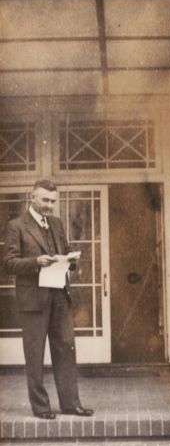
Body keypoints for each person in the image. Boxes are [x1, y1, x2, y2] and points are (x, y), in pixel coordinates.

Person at [3, 180, 93, 420]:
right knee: (35, 354)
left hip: (59, 295)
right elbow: (9, 263)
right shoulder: (16, 226)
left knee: (65, 347)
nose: (50, 205)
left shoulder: (56, 223)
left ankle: (70, 404)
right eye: (45, 200)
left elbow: (62, 250)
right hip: (33, 299)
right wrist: (35, 262)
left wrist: (70, 260)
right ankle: (41, 407)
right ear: (32, 197)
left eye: (53, 201)